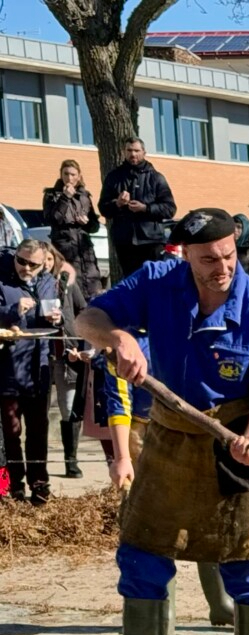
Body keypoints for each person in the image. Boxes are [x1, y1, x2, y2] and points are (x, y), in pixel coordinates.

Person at [75, 208, 249, 635]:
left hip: (236, 443)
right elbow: (86, 318)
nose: (221, 267)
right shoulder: (157, 280)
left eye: (227, 255)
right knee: (141, 552)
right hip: (170, 440)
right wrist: (120, 337)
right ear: (185, 256)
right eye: (207, 259)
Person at [96, 333, 237, 628]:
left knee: (206, 516)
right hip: (143, 436)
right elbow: (119, 403)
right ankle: (162, 608)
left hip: (190, 432)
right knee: (153, 525)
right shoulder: (123, 340)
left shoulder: (188, 328)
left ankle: (220, 604)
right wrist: (122, 457)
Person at [2, 240, 63, 504]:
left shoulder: (48, 280)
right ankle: (13, 486)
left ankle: (40, 486)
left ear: (44, 263)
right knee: (11, 431)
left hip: (38, 366)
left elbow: (53, 313)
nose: (26, 267)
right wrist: (13, 311)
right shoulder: (3, 280)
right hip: (8, 367)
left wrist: (56, 318)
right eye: (21, 261)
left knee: (38, 430)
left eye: (33, 264)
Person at [43, 242, 90, 479]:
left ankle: (71, 461)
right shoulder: (30, 286)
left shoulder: (67, 283)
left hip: (67, 354)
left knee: (69, 409)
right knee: (38, 410)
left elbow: (84, 311)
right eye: (42, 260)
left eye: (49, 260)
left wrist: (82, 345)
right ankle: (37, 464)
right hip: (39, 354)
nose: (46, 265)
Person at [99, 139, 176, 281]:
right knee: (132, 283)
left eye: (136, 151)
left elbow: (170, 209)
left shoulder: (156, 178)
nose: (133, 154)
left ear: (144, 153)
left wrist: (146, 208)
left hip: (151, 241)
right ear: (124, 152)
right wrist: (117, 203)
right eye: (129, 151)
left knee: (154, 281)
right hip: (125, 242)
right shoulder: (114, 177)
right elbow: (103, 208)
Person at [42, 160, 103, 297]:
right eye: (66, 174)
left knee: (92, 289)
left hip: (84, 250)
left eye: (73, 174)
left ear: (79, 176)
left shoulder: (84, 196)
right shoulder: (52, 195)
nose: (69, 178)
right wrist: (65, 198)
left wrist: (86, 223)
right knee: (69, 289)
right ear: (61, 174)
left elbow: (95, 227)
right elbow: (52, 219)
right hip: (64, 248)